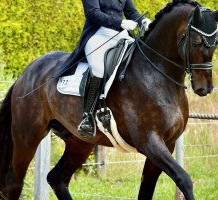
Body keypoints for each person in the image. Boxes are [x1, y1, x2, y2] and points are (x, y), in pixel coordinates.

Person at [61, 0, 151, 137]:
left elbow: (131, 12)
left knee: (139, 59)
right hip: (97, 34)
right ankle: (87, 117)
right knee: (98, 69)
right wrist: (120, 23)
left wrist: (143, 21)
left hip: (121, 35)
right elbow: (93, 13)